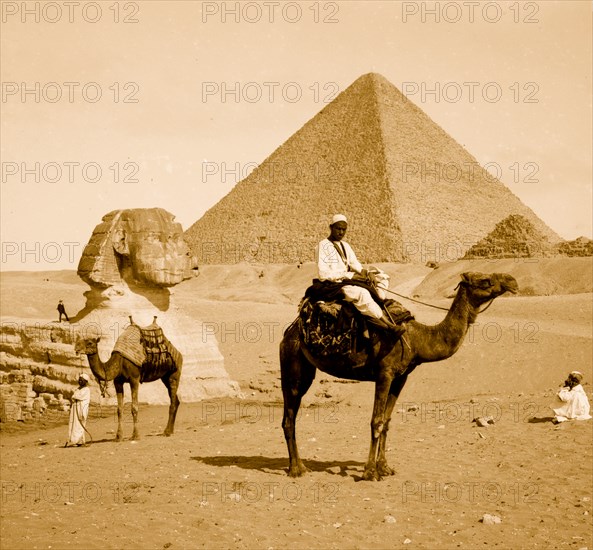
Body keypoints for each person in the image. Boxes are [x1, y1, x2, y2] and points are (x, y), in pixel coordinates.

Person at [316, 214, 404, 335]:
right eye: (338, 228)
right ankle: (388, 325)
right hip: (333, 286)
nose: (341, 232)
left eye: (344, 229)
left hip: (349, 280)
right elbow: (323, 274)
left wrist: (367, 273)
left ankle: (378, 299)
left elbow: (355, 264)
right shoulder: (323, 245)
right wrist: (350, 276)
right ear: (331, 227)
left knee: (382, 277)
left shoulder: (345, 245)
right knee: (363, 293)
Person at [66, 373, 91, 446]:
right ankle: (76, 441)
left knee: (79, 425)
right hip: (75, 409)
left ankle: (78, 441)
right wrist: (74, 397)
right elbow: (74, 397)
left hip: (81, 409)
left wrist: (74, 397)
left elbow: (78, 396)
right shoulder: (77, 389)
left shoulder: (86, 390)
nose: (80, 381)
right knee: (74, 425)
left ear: (86, 382)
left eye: (82, 380)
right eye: (79, 380)